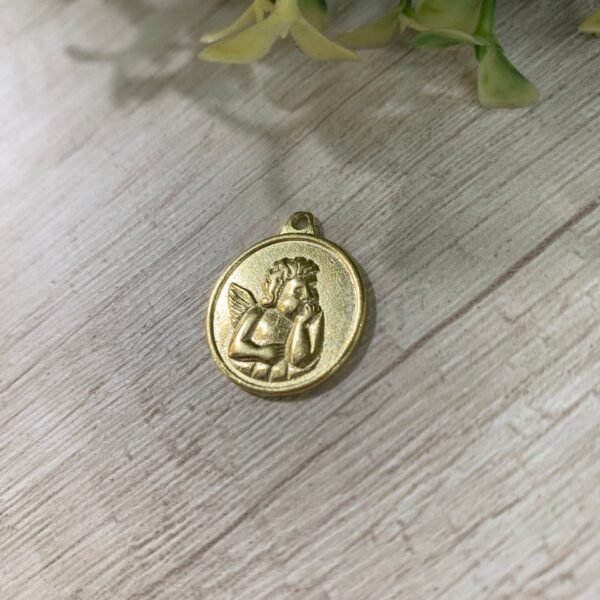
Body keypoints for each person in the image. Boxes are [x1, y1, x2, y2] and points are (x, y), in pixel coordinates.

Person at [228, 257, 324, 381]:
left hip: (292, 376)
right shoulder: (258, 312)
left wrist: (301, 323)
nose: (308, 295)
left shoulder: (313, 317)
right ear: (278, 291)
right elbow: (235, 349)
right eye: (298, 290)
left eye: (312, 288)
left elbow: (300, 360)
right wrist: (260, 352)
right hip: (258, 374)